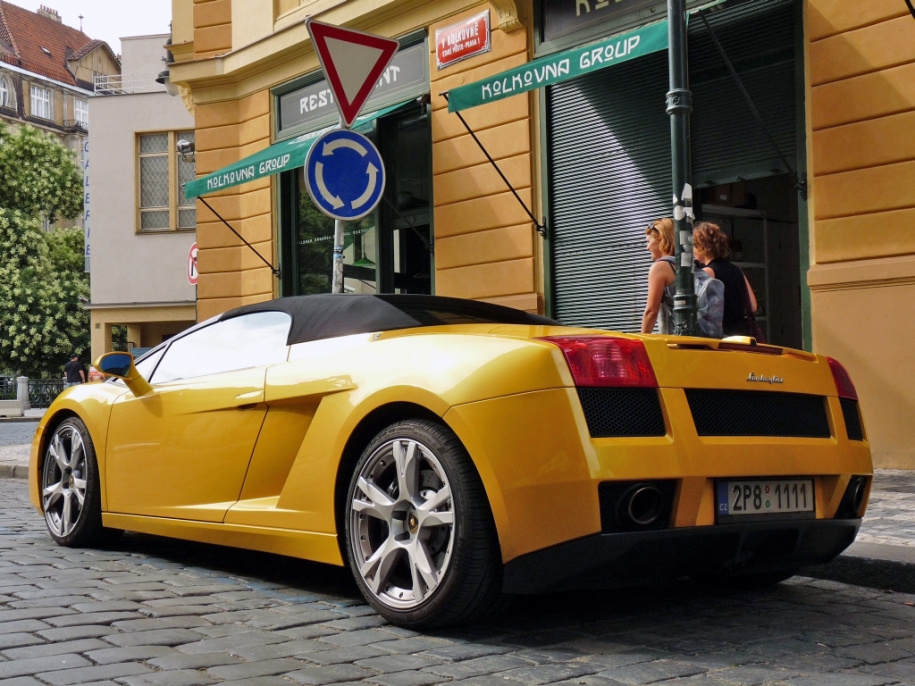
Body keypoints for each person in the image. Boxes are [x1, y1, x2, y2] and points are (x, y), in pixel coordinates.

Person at [692, 222, 759, 338]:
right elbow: (753, 306)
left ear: (702, 247)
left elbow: (699, 308)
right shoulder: (737, 270)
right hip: (741, 336)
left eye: (694, 246)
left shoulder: (708, 272)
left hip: (721, 337)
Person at [641, 219, 677, 334]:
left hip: (675, 343)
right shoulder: (693, 265)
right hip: (702, 340)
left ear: (661, 238)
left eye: (648, 241)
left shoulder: (660, 267)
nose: (647, 248)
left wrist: (642, 341)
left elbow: (651, 312)